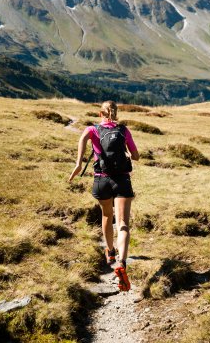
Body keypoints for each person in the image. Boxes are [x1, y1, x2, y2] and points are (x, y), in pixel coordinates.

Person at [68, 100, 139, 291]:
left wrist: (78, 164)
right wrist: (127, 153)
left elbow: (82, 139)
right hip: (121, 180)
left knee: (107, 215)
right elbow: (136, 155)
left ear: (100, 113)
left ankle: (110, 252)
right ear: (116, 113)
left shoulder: (92, 129)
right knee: (123, 224)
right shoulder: (124, 130)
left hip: (101, 180)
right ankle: (122, 264)